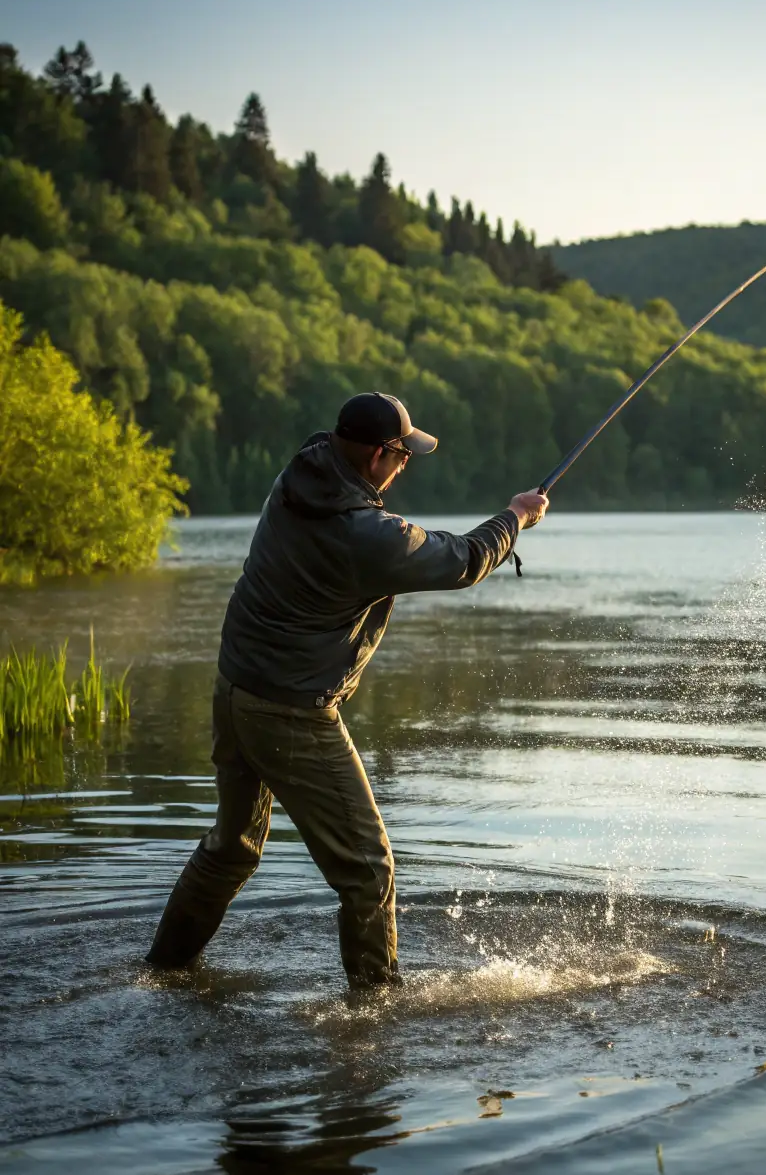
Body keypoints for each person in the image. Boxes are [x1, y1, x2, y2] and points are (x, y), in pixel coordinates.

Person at [145, 391, 548, 988]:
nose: (407, 463)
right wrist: (515, 517)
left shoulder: (299, 472)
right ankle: (373, 1012)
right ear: (380, 455)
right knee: (369, 872)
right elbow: (461, 560)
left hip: (236, 686)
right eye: (403, 454)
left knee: (233, 848)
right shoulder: (364, 535)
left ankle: (161, 971)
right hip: (289, 709)